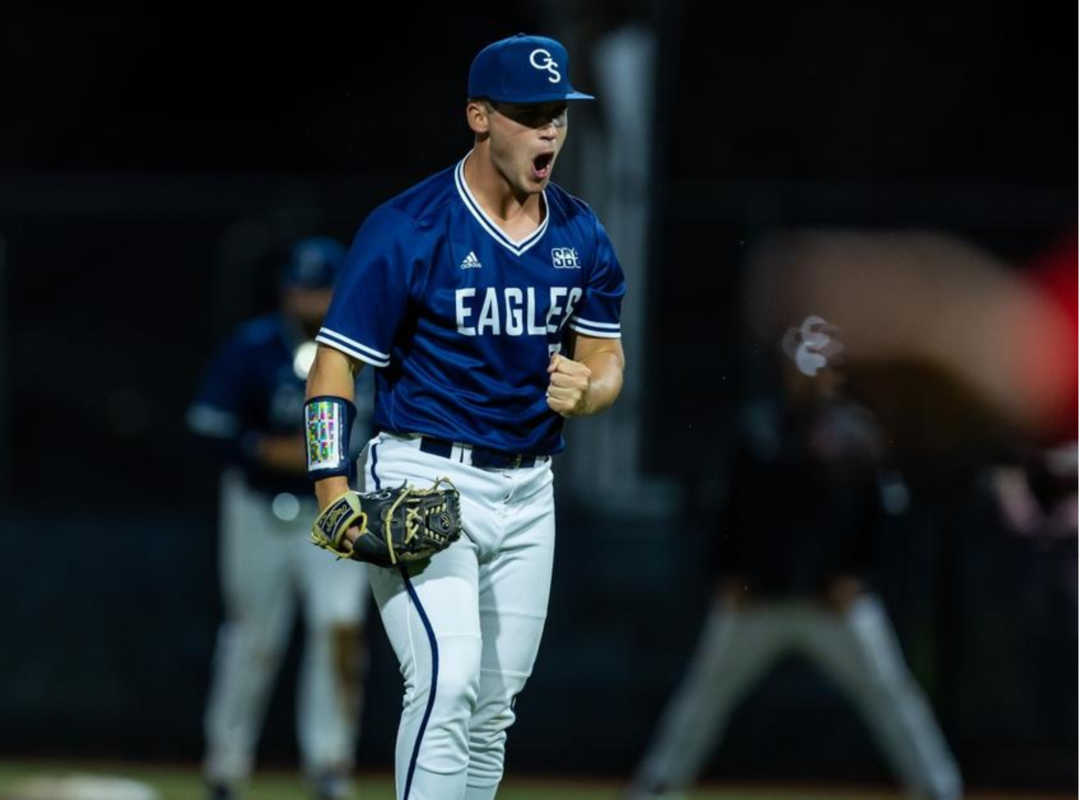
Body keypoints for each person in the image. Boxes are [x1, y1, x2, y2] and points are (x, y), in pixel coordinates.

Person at [302, 33, 626, 800]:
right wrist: (331, 492)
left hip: (529, 490)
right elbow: (332, 366)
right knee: (447, 683)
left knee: (490, 713)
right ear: (479, 117)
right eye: (528, 113)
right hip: (423, 474)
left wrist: (592, 392)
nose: (549, 129)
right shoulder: (409, 226)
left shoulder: (581, 235)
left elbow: (608, 361)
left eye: (559, 114)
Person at [626, 317, 962, 800]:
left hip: (835, 605)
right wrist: (727, 574)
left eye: (819, 367)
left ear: (836, 372)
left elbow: (884, 518)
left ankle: (939, 789)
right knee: (702, 699)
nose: (809, 377)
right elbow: (724, 511)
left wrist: (860, 575)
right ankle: (655, 789)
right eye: (801, 367)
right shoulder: (756, 429)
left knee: (891, 693)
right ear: (784, 368)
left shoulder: (859, 436)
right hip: (757, 601)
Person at [188, 237, 372, 800]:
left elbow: (375, 432)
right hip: (259, 507)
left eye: (320, 288)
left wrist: (313, 455)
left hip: (334, 509)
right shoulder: (255, 346)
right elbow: (210, 427)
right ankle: (225, 765)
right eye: (301, 286)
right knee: (251, 637)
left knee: (338, 630)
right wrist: (269, 451)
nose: (309, 299)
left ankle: (329, 766)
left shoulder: (365, 350)